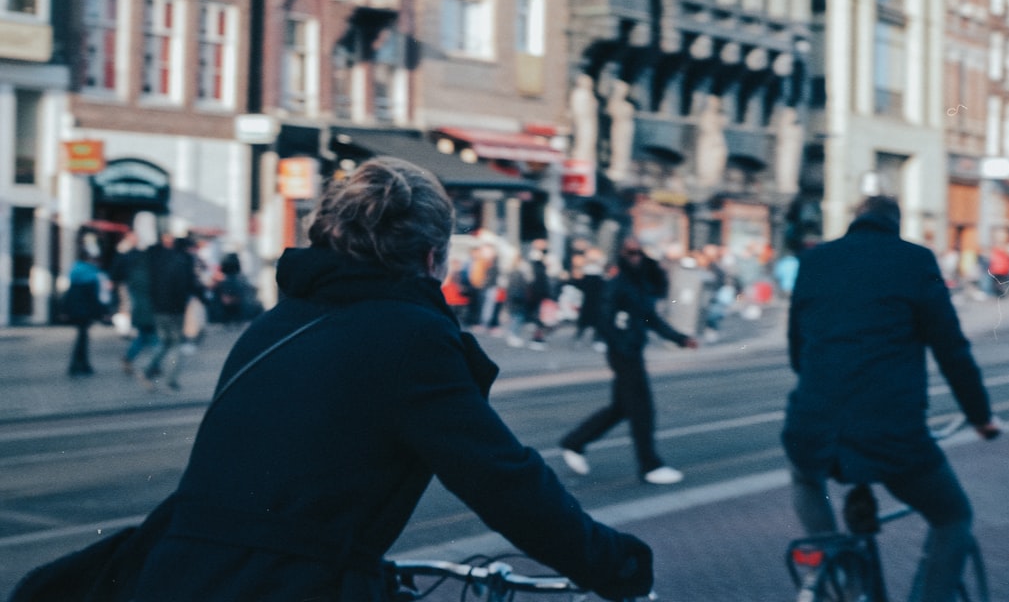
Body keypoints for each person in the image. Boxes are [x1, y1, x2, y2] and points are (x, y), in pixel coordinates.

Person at [127, 157, 653, 601]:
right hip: (277, 587)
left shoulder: (275, 324)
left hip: (173, 572)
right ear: (431, 257)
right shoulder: (410, 335)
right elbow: (502, 478)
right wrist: (616, 566)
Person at [781, 196, 1001, 602]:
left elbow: (797, 348)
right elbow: (951, 350)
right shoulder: (914, 261)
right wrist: (980, 416)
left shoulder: (815, 260)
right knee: (952, 516)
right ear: (896, 224)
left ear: (854, 220)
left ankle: (840, 575)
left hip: (812, 424)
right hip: (888, 430)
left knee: (805, 476)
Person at [560, 237, 698, 485]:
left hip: (632, 350)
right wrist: (621, 345)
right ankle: (649, 465)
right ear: (622, 255)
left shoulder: (639, 282)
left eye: (638, 253)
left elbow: (650, 318)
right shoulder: (617, 284)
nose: (635, 258)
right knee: (642, 410)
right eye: (630, 253)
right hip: (624, 354)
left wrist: (680, 338)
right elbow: (604, 319)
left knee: (621, 408)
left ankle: (574, 442)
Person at [136, 233, 201, 392]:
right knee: (176, 343)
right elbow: (185, 285)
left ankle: (147, 370)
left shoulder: (161, 259)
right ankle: (171, 379)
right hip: (174, 309)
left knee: (165, 341)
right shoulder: (184, 261)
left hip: (159, 308)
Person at [110, 229, 158, 374]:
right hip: (144, 307)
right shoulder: (128, 256)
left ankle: (133, 359)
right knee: (152, 336)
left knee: (146, 336)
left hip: (141, 306)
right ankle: (153, 364)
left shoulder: (135, 257)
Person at [64, 250, 107, 377]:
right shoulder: (91, 275)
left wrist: (65, 310)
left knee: (82, 337)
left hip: (76, 310)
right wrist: (102, 312)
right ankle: (80, 365)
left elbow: (69, 293)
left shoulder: (75, 271)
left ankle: (81, 365)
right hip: (85, 311)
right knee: (82, 339)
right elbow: (94, 297)